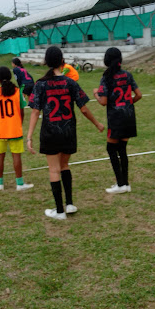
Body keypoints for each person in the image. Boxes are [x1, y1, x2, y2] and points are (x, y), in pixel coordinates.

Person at [27, 46, 104, 220]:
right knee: (64, 166)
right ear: (62, 61)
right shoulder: (70, 83)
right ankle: (69, 204)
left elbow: (35, 111)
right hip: (68, 131)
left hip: (50, 132)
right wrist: (97, 123)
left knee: (54, 170)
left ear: (46, 62)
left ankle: (59, 211)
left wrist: (29, 136)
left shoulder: (40, 84)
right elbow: (83, 108)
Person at [93, 47, 142, 194]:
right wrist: (128, 103)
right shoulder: (127, 75)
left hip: (116, 118)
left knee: (111, 149)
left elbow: (103, 102)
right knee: (122, 149)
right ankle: (125, 183)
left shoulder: (106, 77)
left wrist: (96, 94)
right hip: (129, 116)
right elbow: (139, 95)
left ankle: (121, 184)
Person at [0, 66, 34, 192]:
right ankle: (19, 184)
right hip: (14, 129)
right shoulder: (18, 92)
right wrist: (19, 124)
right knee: (16, 156)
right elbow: (21, 111)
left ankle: (0, 183)